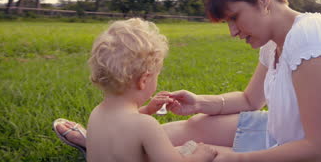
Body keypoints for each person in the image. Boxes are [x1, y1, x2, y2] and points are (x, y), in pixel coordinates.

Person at [55, 0, 321, 161]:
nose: (233, 32)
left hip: (310, 154)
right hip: (278, 135)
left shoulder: (311, 36)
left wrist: (235, 159)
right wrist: (200, 103)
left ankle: (108, 146)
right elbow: (251, 99)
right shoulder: (274, 43)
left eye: (234, 18)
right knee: (195, 126)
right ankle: (109, 142)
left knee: (199, 155)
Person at [53, 18, 216, 162]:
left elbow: (125, 128)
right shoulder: (147, 126)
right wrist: (201, 156)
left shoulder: (97, 113)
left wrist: (148, 109)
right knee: (188, 149)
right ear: (144, 80)